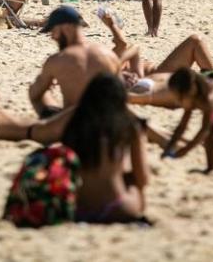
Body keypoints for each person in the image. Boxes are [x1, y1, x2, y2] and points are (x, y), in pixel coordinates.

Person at [61, 73, 149, 223]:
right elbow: (143, 179)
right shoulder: (129, 127)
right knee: (132, 181)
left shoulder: (74, 125)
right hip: (117, 207)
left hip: (79, 210)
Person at [28, 6, 122, 118]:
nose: (53, 37)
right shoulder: (108, 55)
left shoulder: (57, 60)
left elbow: (34, 94)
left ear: (66, 27)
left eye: (54, 31)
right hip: (110, 122)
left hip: (75, 125)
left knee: (40, 92)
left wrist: (47, 86)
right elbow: (121, 96)